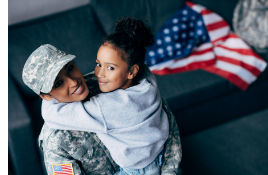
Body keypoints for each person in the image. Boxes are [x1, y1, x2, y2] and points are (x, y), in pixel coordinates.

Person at [41, 17, 173, 175]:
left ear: (132, 71)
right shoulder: (146, 80)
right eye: (98, 64)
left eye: (110, 68)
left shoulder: (108, 106)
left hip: (138, 170)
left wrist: (48, 96)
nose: (99, 74)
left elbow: (51, 114)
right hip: (155, 156)